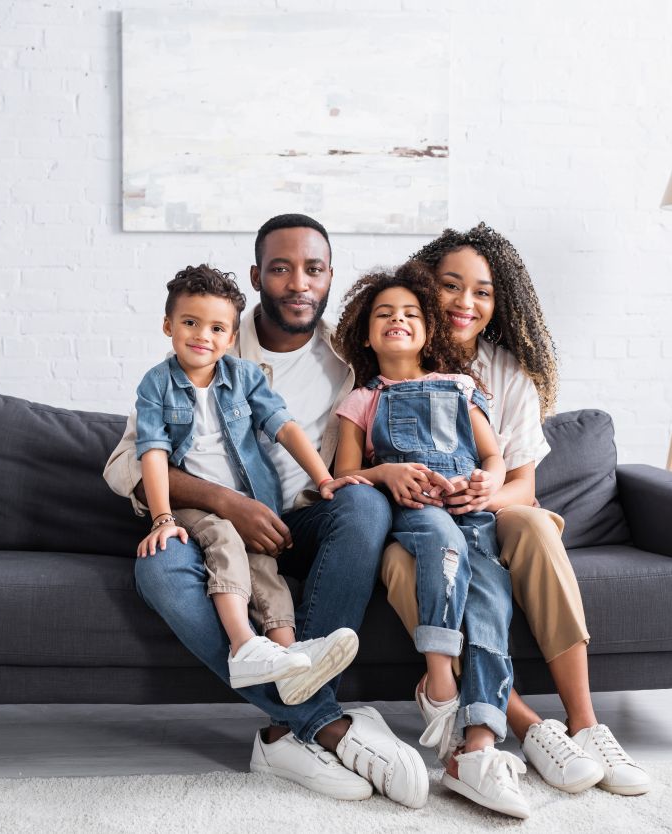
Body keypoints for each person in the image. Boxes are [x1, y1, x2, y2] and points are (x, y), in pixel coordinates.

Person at [103, 214, 428, 807]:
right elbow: (124, 466)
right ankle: (316, 725)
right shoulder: (212, 341)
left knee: (362, 503)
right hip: (218, 520)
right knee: (156, 567)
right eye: (281, 269)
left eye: (314, 269)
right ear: (257, 276)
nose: (298, 283)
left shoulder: (351, 357)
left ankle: (294, 724)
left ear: (330, 277)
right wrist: (226, 501)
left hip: (304, 517)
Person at [379, 223, 652, 796]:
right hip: (421, 523)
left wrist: (483, 494)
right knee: (418, 564)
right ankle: (527, 726)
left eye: (482, 291)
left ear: (500, 303)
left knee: (529, 522)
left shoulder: (507, 373)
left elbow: (523, 484)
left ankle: (585, 723)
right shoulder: (394, 353)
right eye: (451, 286)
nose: (465, 302)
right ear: (425, 287)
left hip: (495, 510)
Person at [331, 263, 531, 819]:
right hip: (418, 511)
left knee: (492, 597)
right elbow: (344, 476)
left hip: (471, 511)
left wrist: (490, 480)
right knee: (443, 542)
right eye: (383, 314)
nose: (397, 319)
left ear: (429, 329)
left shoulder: (461, 387)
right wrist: (385, 474)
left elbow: (492, 455)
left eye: (411, 313)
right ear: (365, 334)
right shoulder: (360, 401)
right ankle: (439, 678)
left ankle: (481, 747)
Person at [133, 264, 364, 705]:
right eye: (189, 322)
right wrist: (162, 517)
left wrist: (324, 479)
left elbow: (286, 428)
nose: (203, 335)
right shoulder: (156, 385)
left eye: (217, 327)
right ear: (168, 326)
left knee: (265, 569)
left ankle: (289, 656)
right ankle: (243, 646)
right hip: (196, 507)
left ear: (231, 334)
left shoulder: (244, 376)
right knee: (223, 540)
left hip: (253, 500)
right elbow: (153, 453)